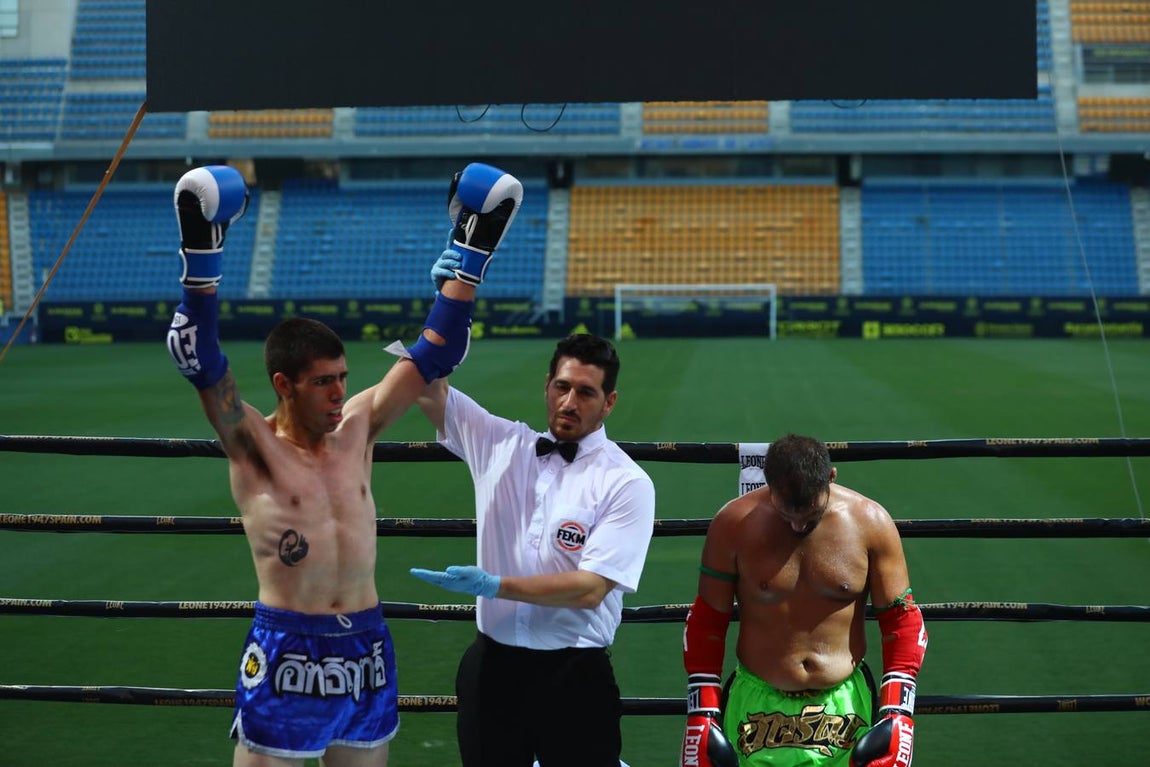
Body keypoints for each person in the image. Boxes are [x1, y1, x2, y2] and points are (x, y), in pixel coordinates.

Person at [164, 161, 523, 767]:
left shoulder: (358, 428)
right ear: (284, 384)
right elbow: (198, 359)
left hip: (364, 646)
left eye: (343, 380)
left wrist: (470, 254)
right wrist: (200, 256)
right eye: (322, 383)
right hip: (287, 648)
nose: (338, 394)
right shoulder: (254, 448)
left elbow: (432, 356)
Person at [408, 321, 656, 767]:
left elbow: (589, 590)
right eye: (562, 387)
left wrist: (493, 585)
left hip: (574, 678)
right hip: (491, 672)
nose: (569, 402)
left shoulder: (627, 482)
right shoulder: (498, 442)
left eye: (586, 392)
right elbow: (423, 383)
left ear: (609, 402)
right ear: (546, 386)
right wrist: (449, 307)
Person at [680, 433, 927, 767]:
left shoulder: (870, 522)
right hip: (755, 707)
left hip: (843, 706)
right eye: (787, 513)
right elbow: (708, 621)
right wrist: (702, 714)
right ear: (768, 484)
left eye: (810, 512)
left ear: (831, 477)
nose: (797, 524)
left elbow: (902, 621)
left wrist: (899, 713)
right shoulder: (733, 524)